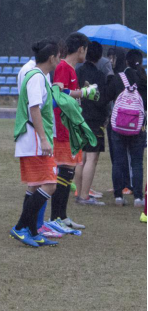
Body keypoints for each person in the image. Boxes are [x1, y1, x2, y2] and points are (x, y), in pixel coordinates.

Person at [11, 38, 62, 248]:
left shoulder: (39, 76)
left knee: (34, 186)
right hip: (34, 140)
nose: (59, 60)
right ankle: (20, 227)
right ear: (51, 58)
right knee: (50, 184)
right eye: (58, 56)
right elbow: (34, 108)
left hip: (33, 139)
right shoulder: (36, 77)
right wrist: (43, 139)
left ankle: (31, 231)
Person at [47, 32, 99, 234]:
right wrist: (84, 93)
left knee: (68, 174)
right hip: (63, 129)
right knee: (64, 172)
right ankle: (55, 218)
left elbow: (70, 96)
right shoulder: (63, 67)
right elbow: (59, 94)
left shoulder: (71, 69)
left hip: (71, 129)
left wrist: (83, 93)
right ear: (81, 49)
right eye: (86, 49)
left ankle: (63, 217)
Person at [106, 49, 147, 208]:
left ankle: (118, 196)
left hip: (118, 126)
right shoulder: (143, 79)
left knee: (118, 161)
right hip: (138, 127)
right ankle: (138, 198)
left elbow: (106, 97)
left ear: (126, 62)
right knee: (137, 162)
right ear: (141, 62)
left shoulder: (119, 78)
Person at [75, 42, 109, 206]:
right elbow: (102, 100)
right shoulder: (100, 76)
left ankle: (79, 192)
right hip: (94, 120)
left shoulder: (77, 72)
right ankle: (84, 196)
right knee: (91, 158)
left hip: (79, 118)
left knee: (81, 157)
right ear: (100, 56)